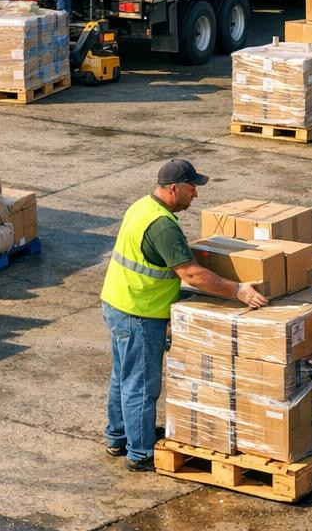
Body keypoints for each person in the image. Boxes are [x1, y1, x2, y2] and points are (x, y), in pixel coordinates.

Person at [100, 159, 269, 473]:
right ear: (174, 188)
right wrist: (238, 291)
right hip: (139, 312)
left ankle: (118, 437)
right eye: (193, 188)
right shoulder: (162, 225)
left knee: (123, 375)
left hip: (119, 302)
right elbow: (192, 274)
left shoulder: (141, 207)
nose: (196, 195)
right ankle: (139, 454)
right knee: (142, 384)